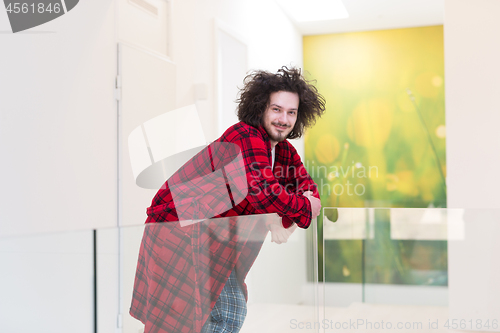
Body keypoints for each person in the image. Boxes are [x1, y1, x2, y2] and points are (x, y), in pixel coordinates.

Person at [130, 66, 325, 333]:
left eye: (291, 112)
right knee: (202, 317)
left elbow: (307, 189)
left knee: (218, 314)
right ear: (260, 108)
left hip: (212, 239)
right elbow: (263, 192)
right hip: (179, 230)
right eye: (276, 109)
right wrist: (294, 211)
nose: (284, 119)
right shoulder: (244, 135)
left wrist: (287, 219)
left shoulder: (283, 152)